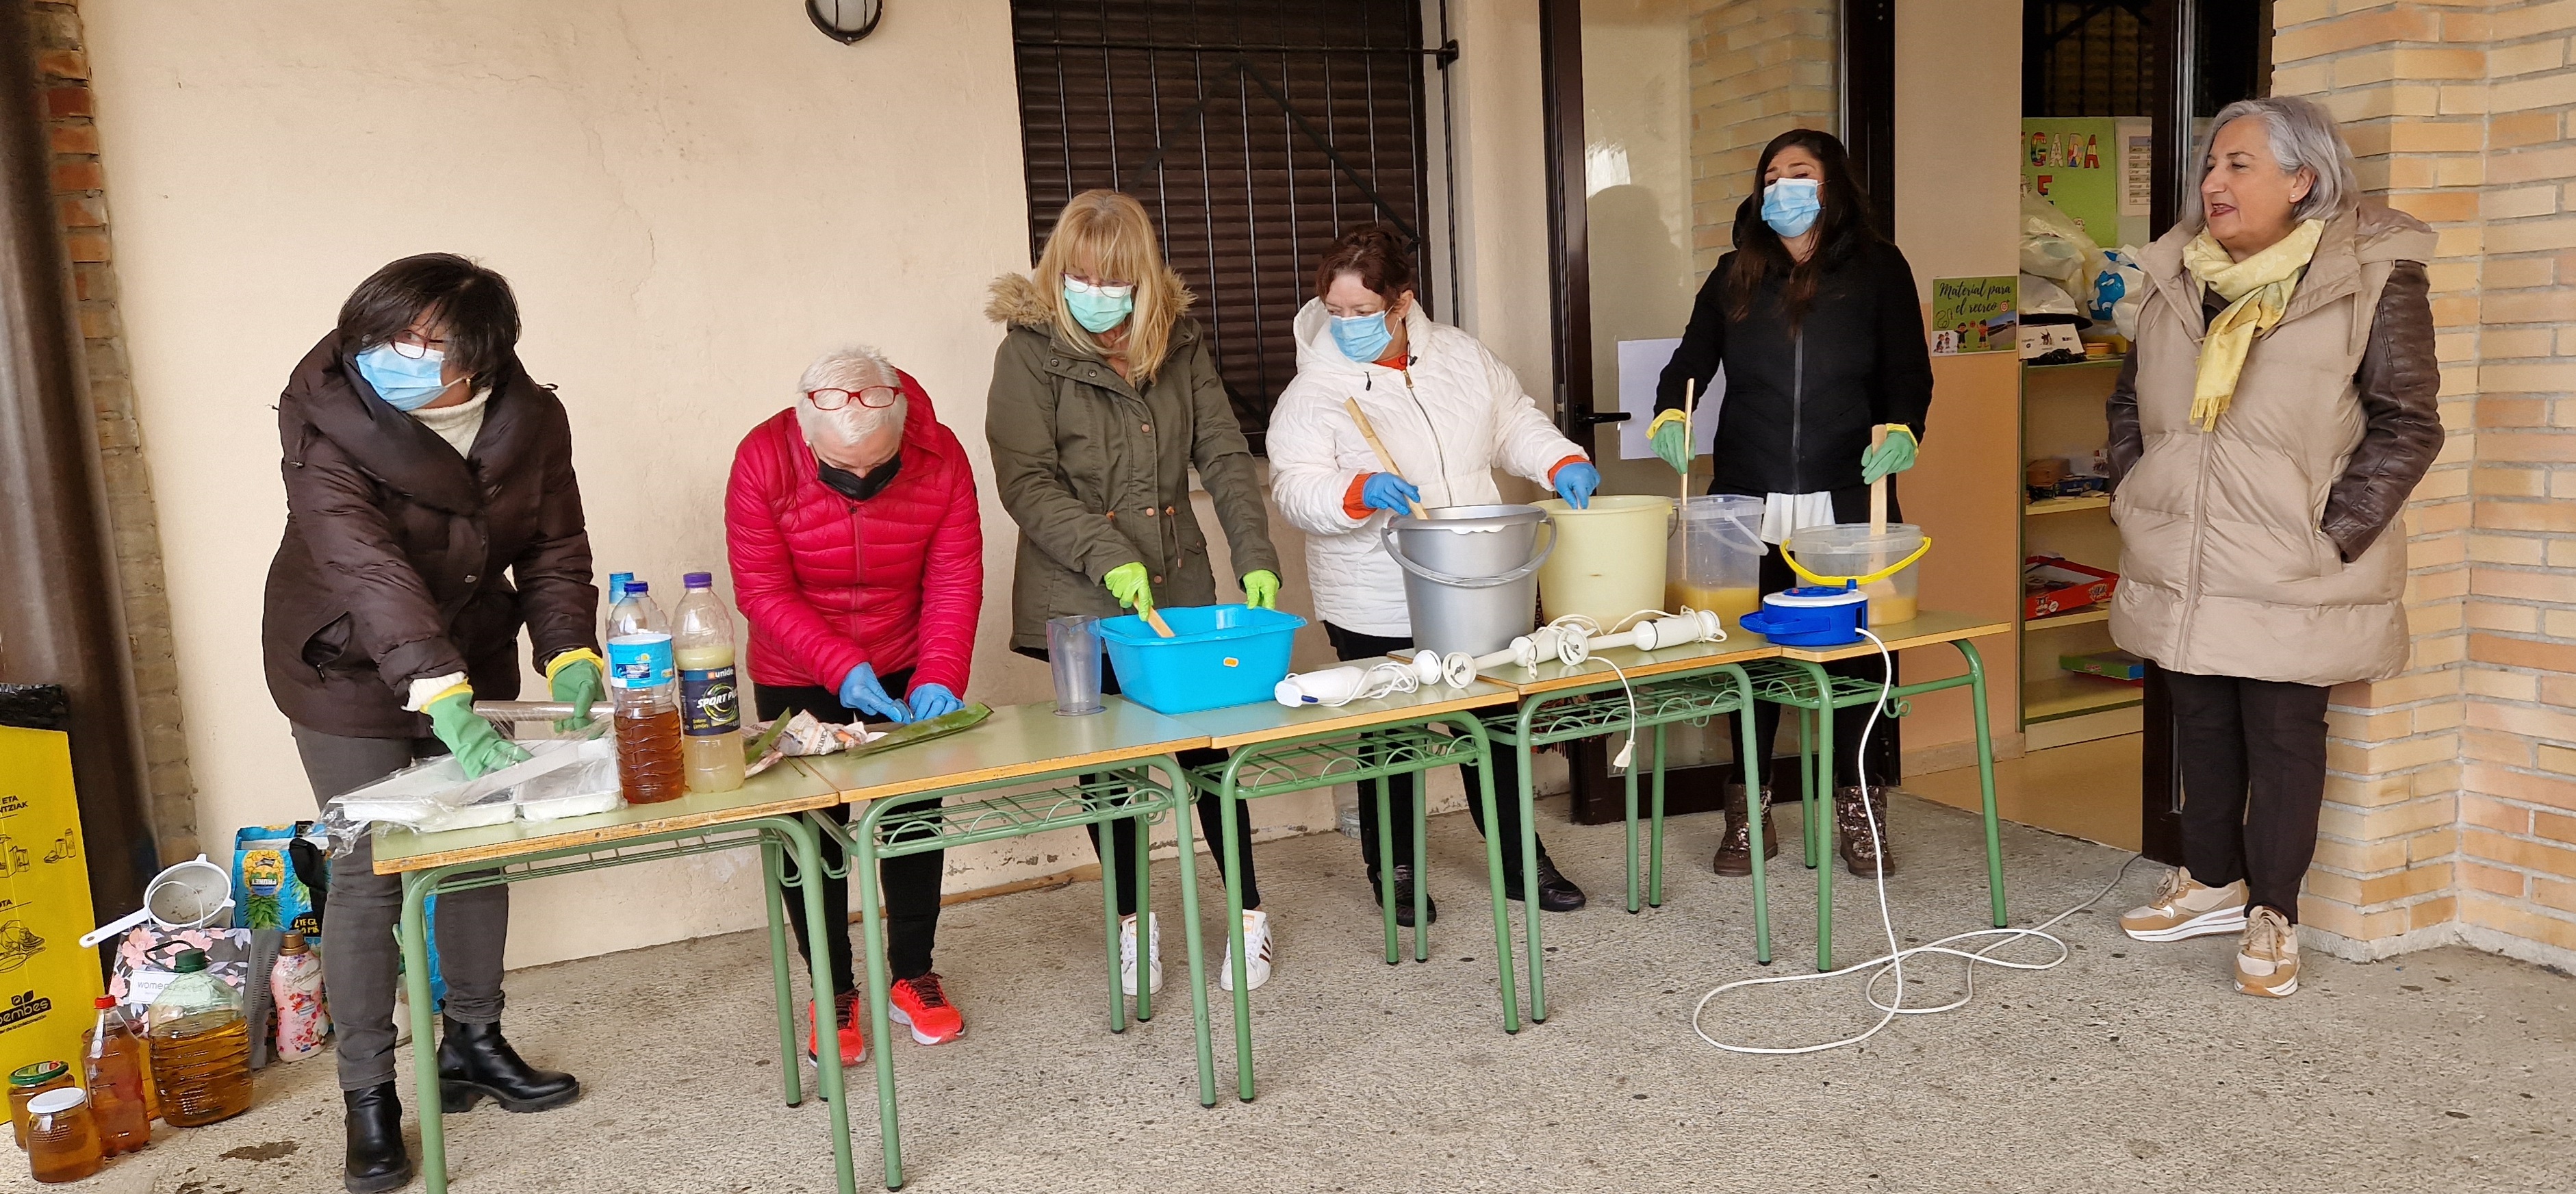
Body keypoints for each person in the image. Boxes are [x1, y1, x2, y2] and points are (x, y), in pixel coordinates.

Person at [262, 254, 590, 1193]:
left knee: (479, 848)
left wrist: (567, 649)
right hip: (342, 661)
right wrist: (436, 690)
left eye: (425, 342)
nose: (391, 356)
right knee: (370, 874)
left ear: (482, 355)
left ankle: (473, 1044)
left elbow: (557, 544)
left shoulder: (533, 417)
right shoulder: (327, 418)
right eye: (382, 334)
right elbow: (366, 568)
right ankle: (369, 1095)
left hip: (466, 647)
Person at [2110, 97, 2439, 999]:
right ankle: (2212, 882)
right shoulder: (2177, 275)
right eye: (2209, 167)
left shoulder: (2368, 274)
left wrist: (2331, 536)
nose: (2211, 183)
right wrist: (2135, 494)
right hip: (2183, 552)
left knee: (2283, 734)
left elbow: (2406, 422)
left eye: (2236, 165)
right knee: (2200, 721)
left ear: (2301, 179)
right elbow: (2125, 401)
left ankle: (2273, 914)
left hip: (2295, 559)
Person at [984, 189, 1285, 993]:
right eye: (1082, 275)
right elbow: (1026, 479)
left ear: (1143, 278)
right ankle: (1132, 923)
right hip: (1079, 596)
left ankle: (1249, 914)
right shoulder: (1028, 351)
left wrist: (1254, 551)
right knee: (1108, 770)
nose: (1098, 291)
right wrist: (1105, 551)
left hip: (1179, 585)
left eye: (1115, 278)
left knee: (1207, 758)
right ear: (1059, 272)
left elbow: (1223, 452)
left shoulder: (1177, 342)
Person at [1267, 223, 1598, 924]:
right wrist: (1353, 494)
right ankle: (1395, 868)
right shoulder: (1313, 391)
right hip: (1375, 589)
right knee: (1392, 733)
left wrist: (1559, 459)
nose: (1349, 324)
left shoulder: (1460, 357)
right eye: (1336, 310)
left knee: (1496, 721)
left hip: (1477, 577)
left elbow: (1512, 422)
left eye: (1364, 311)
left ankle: (1519, 860)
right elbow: (1294, 488)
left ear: (1401, 301)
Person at [1649, 128, 1934, 880]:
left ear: (1831, 183)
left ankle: (1860, 809)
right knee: (1753, 657)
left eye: (1798, 172)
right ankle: (1749, 814)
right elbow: (1689, 361)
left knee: (1857, 664)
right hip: (1750, 493)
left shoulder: (1878, 269)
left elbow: (1909, 369)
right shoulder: (1734, 272)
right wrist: (1671, 412)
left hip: (1847, 493)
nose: (1781, 186)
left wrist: (1905, 427)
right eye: (1770, 174)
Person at [726, 345, 981, 1063]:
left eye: (878, 466)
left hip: (904, 661)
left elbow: (956, 574)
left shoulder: (942, 453)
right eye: (843, 472)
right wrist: (840, 667)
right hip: (797, 668)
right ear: (806, 433)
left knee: (911, 817)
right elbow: (761, 592)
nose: (861, 481)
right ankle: (833, 989)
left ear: (901, 421)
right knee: (810, 835)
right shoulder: (761, 458)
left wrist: (939, 669)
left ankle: (913, 973)